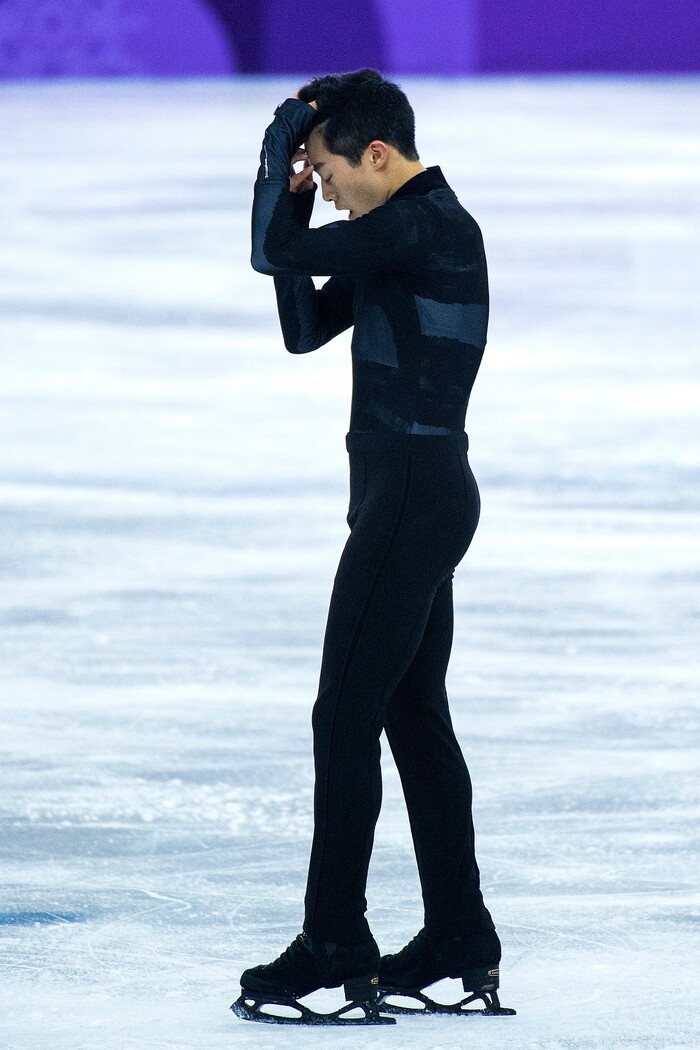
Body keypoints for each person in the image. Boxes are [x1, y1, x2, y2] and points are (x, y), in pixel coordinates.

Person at [232, 69, 512, 1026]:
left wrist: (274, 171)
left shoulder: (422, 225)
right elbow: (304, 323)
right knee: (410, 719)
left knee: (340, 716)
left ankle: (333, 937)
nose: (328, 188)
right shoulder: (404, 236)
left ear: (378, 155)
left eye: (330, 172)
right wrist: (299, 167)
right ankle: (458, 934)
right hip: (412, 501)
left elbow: (276, 255)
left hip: (410, 502)